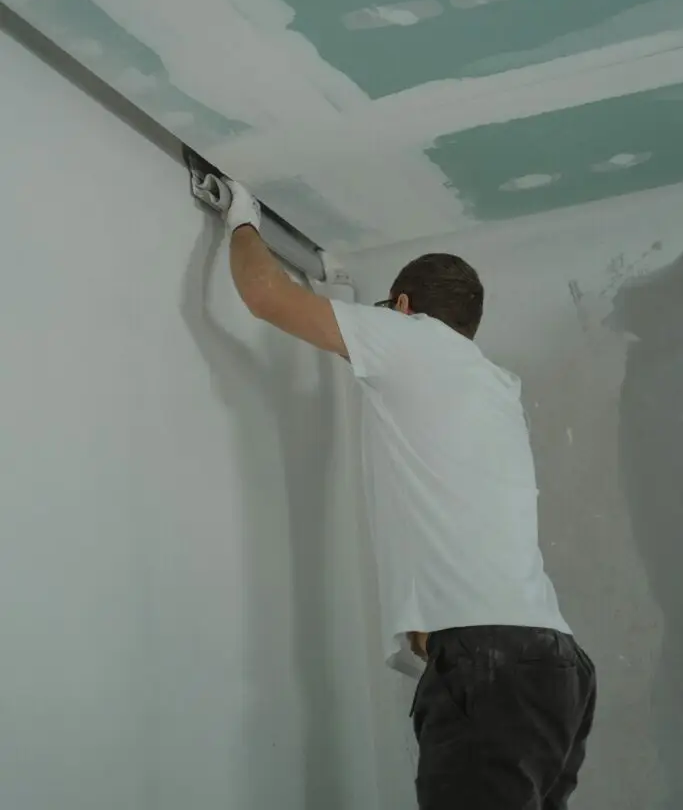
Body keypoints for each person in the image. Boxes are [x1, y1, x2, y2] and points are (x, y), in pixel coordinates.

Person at [197, 175, 597, 810]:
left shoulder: (413, 342)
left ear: (404, 307)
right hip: (555, 667)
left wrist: (240, 217)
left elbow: (265, 296)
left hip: (489, 661)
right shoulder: (490, 384)